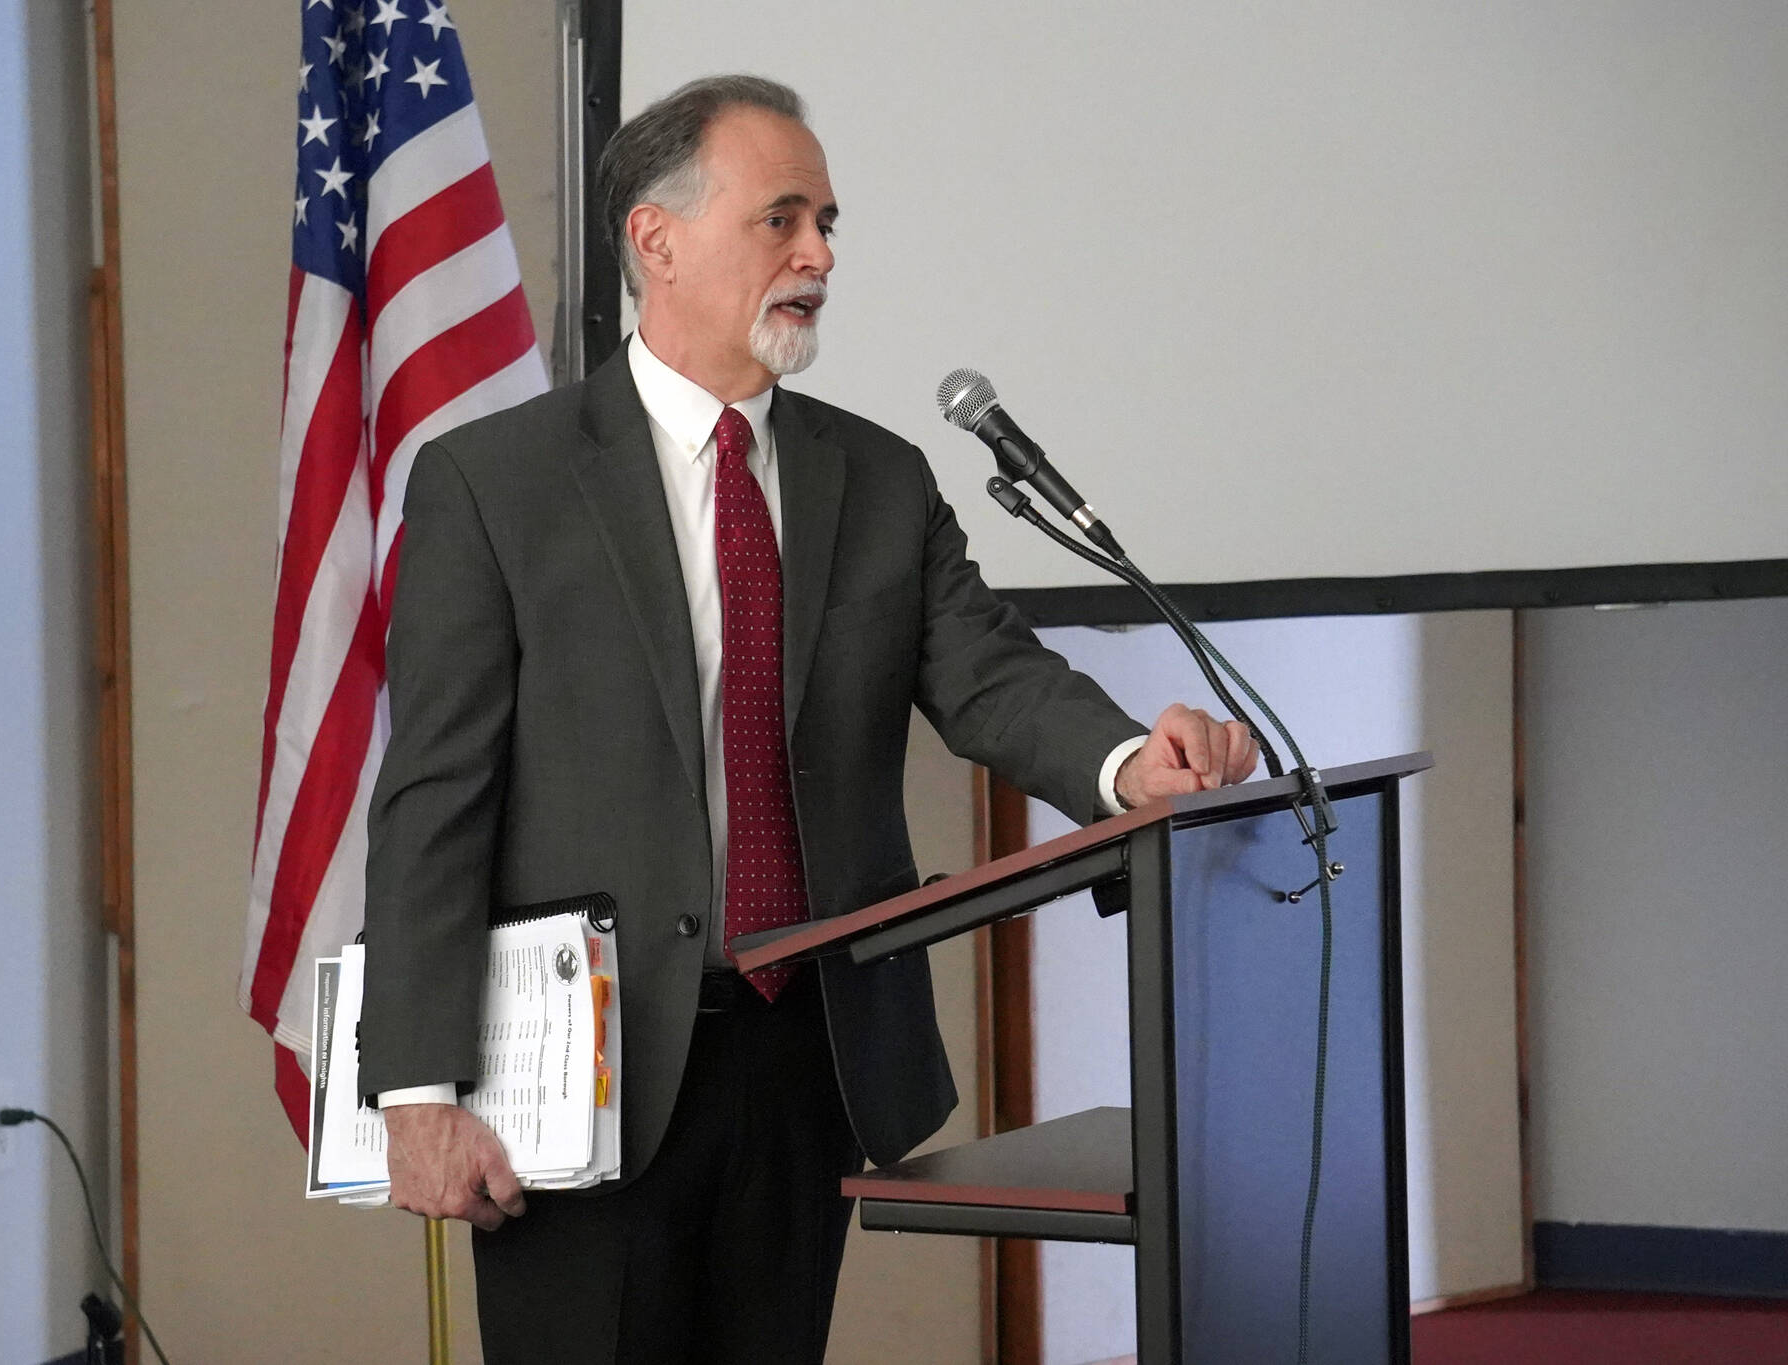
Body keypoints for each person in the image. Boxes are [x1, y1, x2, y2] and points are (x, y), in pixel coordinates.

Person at [359, 74, 1258, 1365]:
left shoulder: (879, 478)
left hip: (810, 1057)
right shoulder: (497, 485)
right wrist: (417, 1087)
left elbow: (993, 675)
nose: (820, 255)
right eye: (781, 218)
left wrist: (1128, 761)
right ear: (654, 240)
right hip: (583, 1080)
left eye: (827, 221)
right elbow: (434, 793)